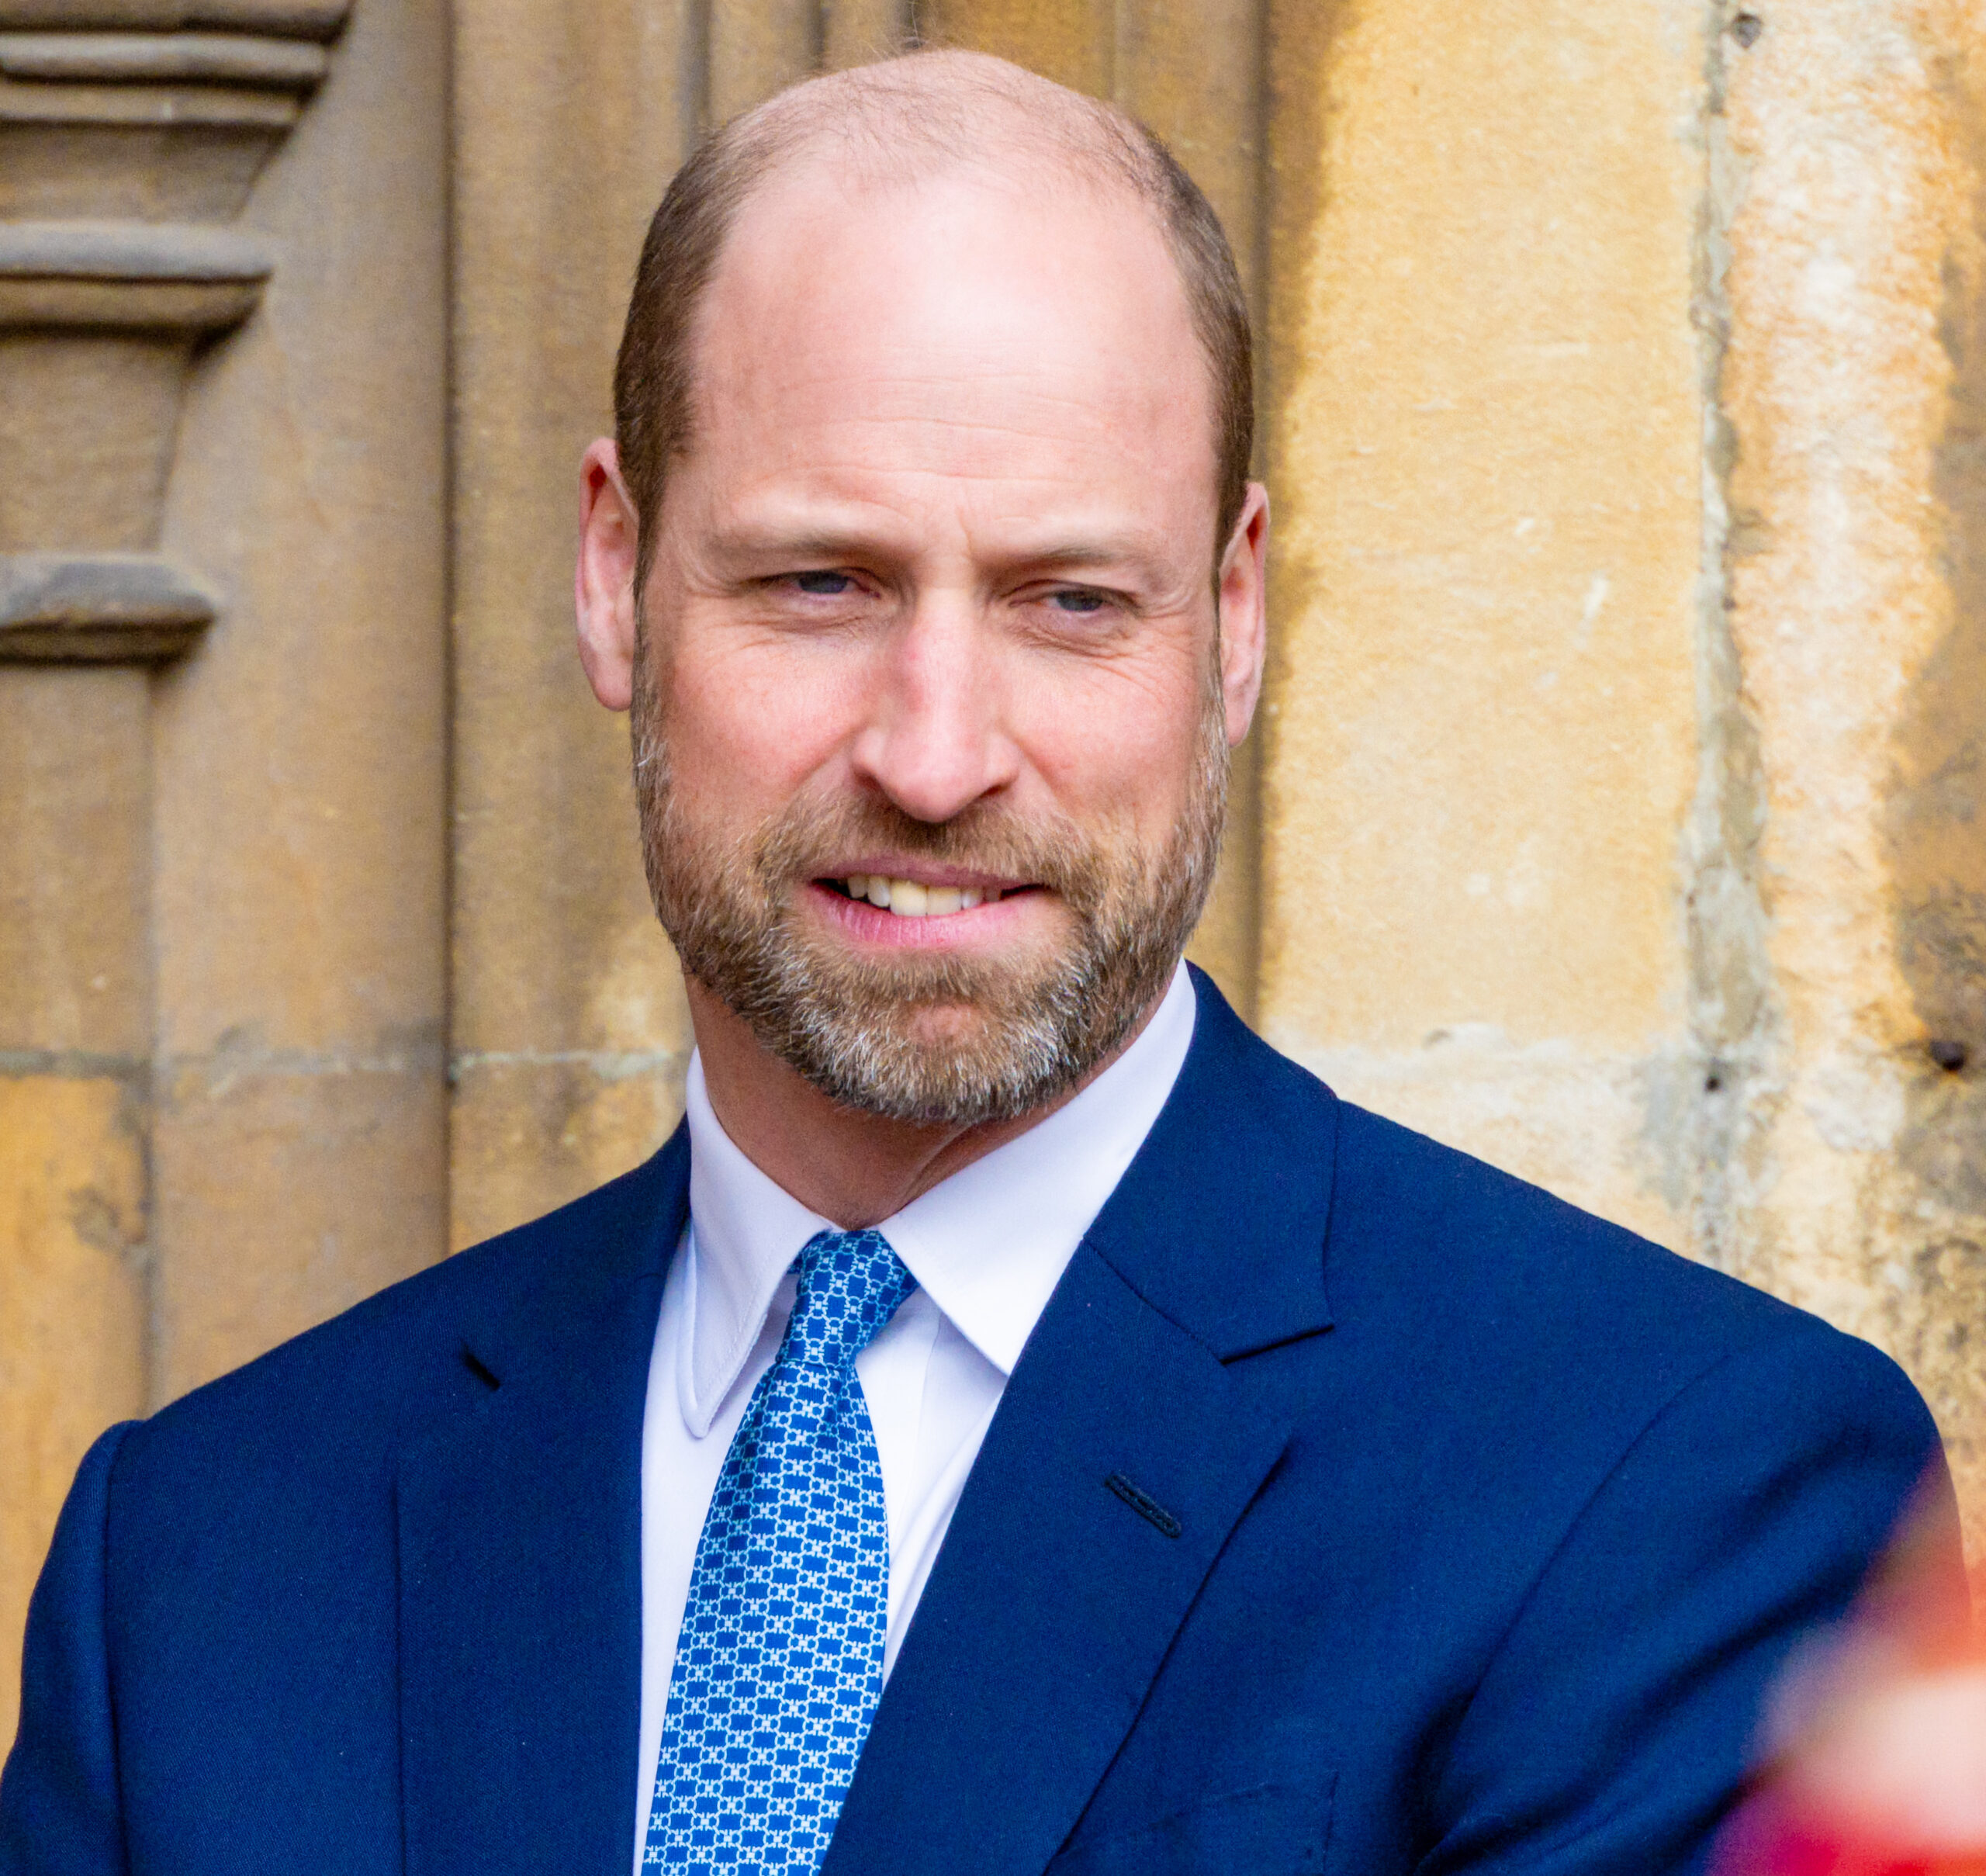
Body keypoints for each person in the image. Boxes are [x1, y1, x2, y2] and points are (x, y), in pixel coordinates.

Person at [0, 47, 1957, 1876]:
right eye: (818, 584)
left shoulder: (1673, 1494)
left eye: (1067, 601)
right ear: (616, 578)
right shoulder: (198, 1569)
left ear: (1237, 616)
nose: (936, 754)